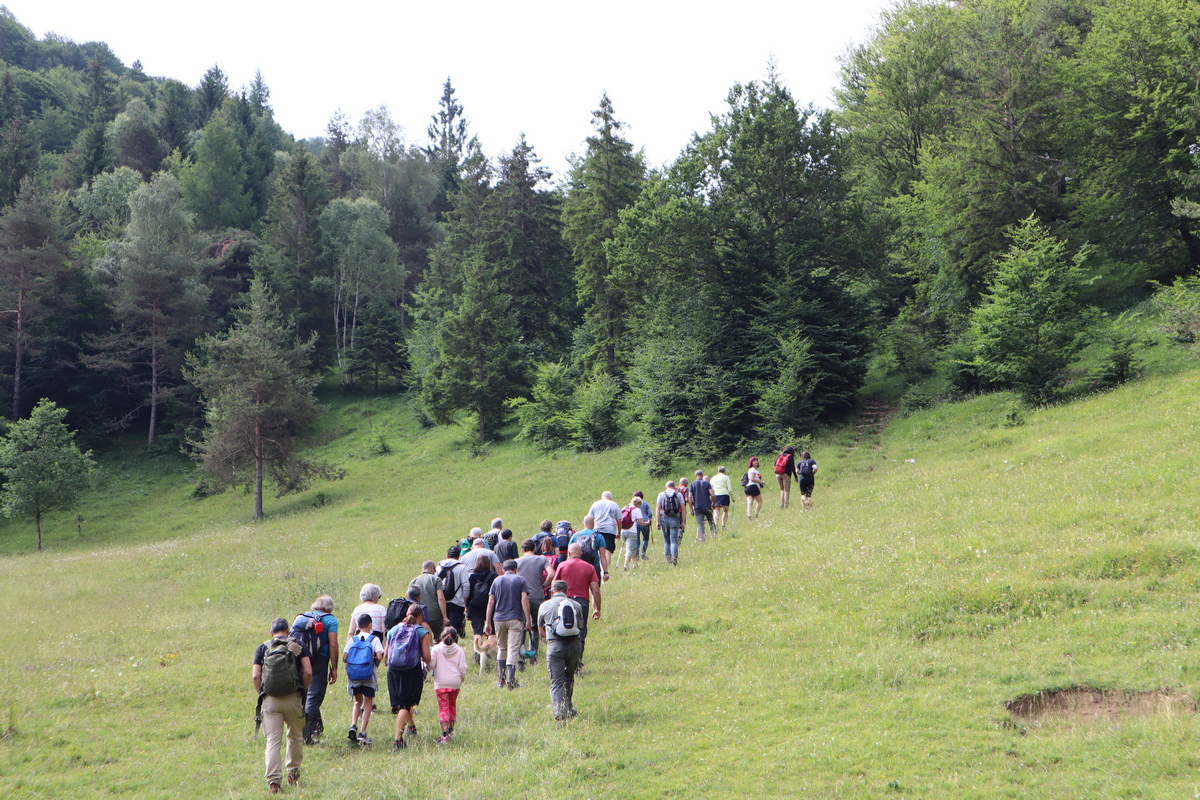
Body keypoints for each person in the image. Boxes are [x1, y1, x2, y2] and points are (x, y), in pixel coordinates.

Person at [253, 617, 312, 794]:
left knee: (273, 741)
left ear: (272, 632)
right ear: (288, 631)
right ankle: (292, 773)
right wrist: (301, 689)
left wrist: (262, 694)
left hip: (270, 699)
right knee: (294, 736)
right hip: (293, 697)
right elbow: (308, 671)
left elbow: (256, 676)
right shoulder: (297, 645)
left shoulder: (263, 648)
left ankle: (274, 782)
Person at [386, 604, 432, 750]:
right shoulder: (422, 632)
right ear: (420, 617)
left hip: (393, 671)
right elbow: (427, 657)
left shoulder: (393, 630)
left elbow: (387, 656)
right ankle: (397, 740)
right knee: (405, 705)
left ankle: (411, 726)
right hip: (411, 671)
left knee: (403, 702)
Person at [537, 580, 583, 725]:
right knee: (569, 677)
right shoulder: (576, 605)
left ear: (552, 591)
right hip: (575, 646)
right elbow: (580, 627)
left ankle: (560, 714)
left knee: (556, 681)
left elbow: (541, 632)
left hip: (555, 646)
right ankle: (569, 708)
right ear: (566, 591)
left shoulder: (544, 605)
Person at [294, 596, 338, 745]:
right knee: (315, 695)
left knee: (305, 693)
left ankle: (317, 729)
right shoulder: (330, 620)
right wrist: (334, 667)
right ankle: (305, 736)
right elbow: (333, 645)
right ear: (329, 608)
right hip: (319, 659)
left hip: (300, 658)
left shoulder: (304, 616)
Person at [553, 542, 602, 669]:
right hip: (582, 604)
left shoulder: (562, 565)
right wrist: (597, 608)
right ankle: (577, 663)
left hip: (564, 603)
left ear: (568, 553)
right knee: (580, 633)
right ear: (580, 553)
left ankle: (564, 661)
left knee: (562, 630)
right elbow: (595, 590)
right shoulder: (589, 567)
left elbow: (554, 586)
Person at [485, 559, 533, 689]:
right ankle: (511, 680)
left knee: (502, 647)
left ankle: (501, 678)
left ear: (504, 570)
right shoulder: (520, 580)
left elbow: (490, 602)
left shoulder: (497, 581)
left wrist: (488, 622)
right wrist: (528, 620)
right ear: (516, 569)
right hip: (515, 618)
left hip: (498, 619)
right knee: (513, 648)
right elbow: (524, 599)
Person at [343, 613, 383, 746]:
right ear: (370, 625)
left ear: (358, 626)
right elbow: (379, 657)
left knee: (357, 702)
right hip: (368, 675)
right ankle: (363, 733)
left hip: (354, 675)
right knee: (367, 704)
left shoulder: (353, 640)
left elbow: (344, 658)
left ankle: (353, 725)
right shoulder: (374, 639)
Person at [515, 538, 551, 666]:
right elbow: (551, 573)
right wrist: (544, 585)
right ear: (535, 548)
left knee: (522, 627)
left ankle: (520, 657)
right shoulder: (541, 559)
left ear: (522, 549)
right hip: (537, 597)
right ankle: (533, 655)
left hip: (521, 598)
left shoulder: (516, 562)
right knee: (536, 627)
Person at [428, 627, 467, 743]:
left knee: (444, 708)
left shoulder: (436, 649)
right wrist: (461, 678)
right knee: (452, 706)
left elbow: (432, 665)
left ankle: (445, 735)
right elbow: (462, 668)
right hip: (455, 682)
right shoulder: (459, 650)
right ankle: (450, 730)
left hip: (441, 683)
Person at [587, 491, 621, 580]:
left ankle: (599, 569)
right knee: (608, 551)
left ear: (602, 497)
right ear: (610, 497)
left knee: (598, 551)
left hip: (597, 529)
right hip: (610, 530)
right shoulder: (614, 504)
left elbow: (590, 518)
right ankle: (605, 571)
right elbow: (619, 520)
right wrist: (619, 532)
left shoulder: (595, 504)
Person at [410, 561, 449, 641]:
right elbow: (440, 598)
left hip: (418, 615)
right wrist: (444, 616)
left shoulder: (414, 581)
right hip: (434, 614)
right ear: (432, 568)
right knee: (440, 637)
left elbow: (409, 598)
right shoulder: (436, 579)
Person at [466, 555, 498, 650]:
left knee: (477, 631)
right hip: (491, 606)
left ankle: (478, 653)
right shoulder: (493, 576)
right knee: (491, 631)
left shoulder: (472, 577)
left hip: (475, 607)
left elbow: (469, 593)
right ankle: (491, 650)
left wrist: (467, 607)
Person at [437, 546, 469, 633]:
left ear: (447, 555)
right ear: (459, 556)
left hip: (441, 601)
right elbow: (466, 585)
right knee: (454, 630)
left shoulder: (439, 567)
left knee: (442, 629)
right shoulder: (461, 567)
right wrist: (465, 601)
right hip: (457, 602)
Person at [656, 480, 685, 565]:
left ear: (666, 486)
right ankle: (674, 559)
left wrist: (657, 522)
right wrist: (683, 522)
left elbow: (658, 509)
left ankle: (668, 560)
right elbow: (683, 509)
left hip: (663, 518)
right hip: (675, 519)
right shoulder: (678, 494)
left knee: (666, 541)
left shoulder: (661, 494)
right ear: (674, 486)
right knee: (674, 540)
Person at [569, 514, 603, 581]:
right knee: (595, 588)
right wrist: (605, 571)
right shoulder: (599, 536)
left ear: (583, 523)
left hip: (579, 566)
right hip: (594, 565)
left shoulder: (575, 535)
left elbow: (569, 553)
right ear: (594, 524)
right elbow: (603, 555)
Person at [690, 469, 716, 542]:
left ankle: (702, 539)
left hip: (698, 507)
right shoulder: (707, 483)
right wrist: (713, 503)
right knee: (711, 521)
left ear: (695, 476)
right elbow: (712, 494)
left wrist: (691, 508)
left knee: (700, 523)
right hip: (707, 506)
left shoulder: (692, 484)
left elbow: (689, 497)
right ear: (702, 475)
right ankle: (714, 536)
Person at [619, 496, 644, 571]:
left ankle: (635, 564)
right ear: (639, 504)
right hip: (632, 532)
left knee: (631, 547)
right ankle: (625, 565)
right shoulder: (637, 510)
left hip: (623, 531)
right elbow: (642, 523)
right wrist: (648, 522)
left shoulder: (624, 508)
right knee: (629, 549)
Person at [633, 490, 653, 559]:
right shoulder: (645, 504)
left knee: (636, 541)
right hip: (644, 522)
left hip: (635, 523)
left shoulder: (632, 505)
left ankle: (636, 555)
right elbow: (650, 513)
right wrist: (649, 519)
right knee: (645, 539)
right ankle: (643, 554)